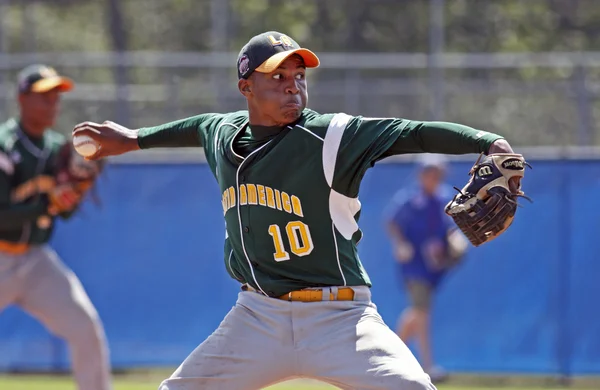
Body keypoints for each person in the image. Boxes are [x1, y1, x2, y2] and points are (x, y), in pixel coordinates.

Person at [73, 31, 520, 390]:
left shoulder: (331, 136)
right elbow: (193, 126)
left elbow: (412, 133)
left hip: (341, 317)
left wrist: (486, 142)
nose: (293, 86)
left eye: (298, 76)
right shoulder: (221, 132)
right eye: (277, 77)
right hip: (256, 317)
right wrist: (134, 139)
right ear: (246, 88)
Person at [0, 65, 112, 390]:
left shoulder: (58, 149)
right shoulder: (5, 146)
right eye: (44, 97)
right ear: (22, 99)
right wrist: (48, 204)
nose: (53, 104)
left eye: (56, 97)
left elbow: (61, 214)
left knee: (85, 327)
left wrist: (73, 196)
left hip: (36, 261)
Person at [385, 154, 469, 383]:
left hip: (435, 268)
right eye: (430, 173)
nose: (434, 178)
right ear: (421, 175)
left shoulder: (444, 200)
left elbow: (452, 230)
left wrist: (457, 242)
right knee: (422, 312)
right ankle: (428, 366)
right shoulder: (410, 200)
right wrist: (400, 244)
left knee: (416, 313)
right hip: (414, 266)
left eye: (438, 174)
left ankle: (387, 358)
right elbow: (392, 223)